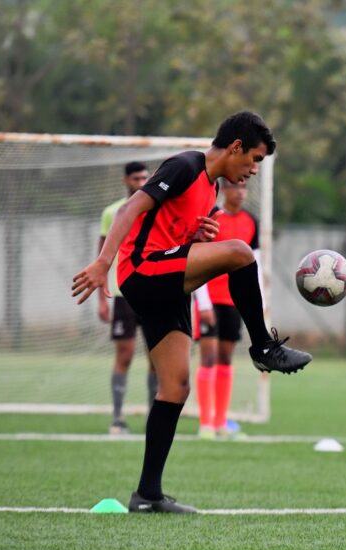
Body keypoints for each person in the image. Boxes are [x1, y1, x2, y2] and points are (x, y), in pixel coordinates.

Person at [72, 111, 312, 514]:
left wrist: (193, 237)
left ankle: (147, 494)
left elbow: (168, 228)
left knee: (176, 388)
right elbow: (131, 209)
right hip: (143, 271)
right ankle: (263, 347)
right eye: (253, 159)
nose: (253, 170)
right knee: (238, 252)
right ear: (235, 147)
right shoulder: (185, 166)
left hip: (167, 282)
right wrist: (102, 263)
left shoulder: (212, 187)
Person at [192, 178, 260, 439]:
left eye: (244, 187)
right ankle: (205, 423)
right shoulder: (211, 218)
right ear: (225, 189)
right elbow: (198, 260)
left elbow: (256, 264)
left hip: (234, 300)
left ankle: (221, 423)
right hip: (209, 299)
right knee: (208, 357)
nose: (241, 192)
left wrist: (257, 301)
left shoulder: (251, 222)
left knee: (225, 358)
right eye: (236, 187)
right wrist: (203, 302)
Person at [98, 162, 159, 434]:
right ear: (125, 180)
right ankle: (117, 417)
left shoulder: (156, 208)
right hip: (123, 295)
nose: (141, 181)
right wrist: (102, 298)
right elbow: (102, 258)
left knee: (156, 357)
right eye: (136, 177)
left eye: (145, 177)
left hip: (151, 291)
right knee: (124, 354)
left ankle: (153, 417)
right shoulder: (112, 213)